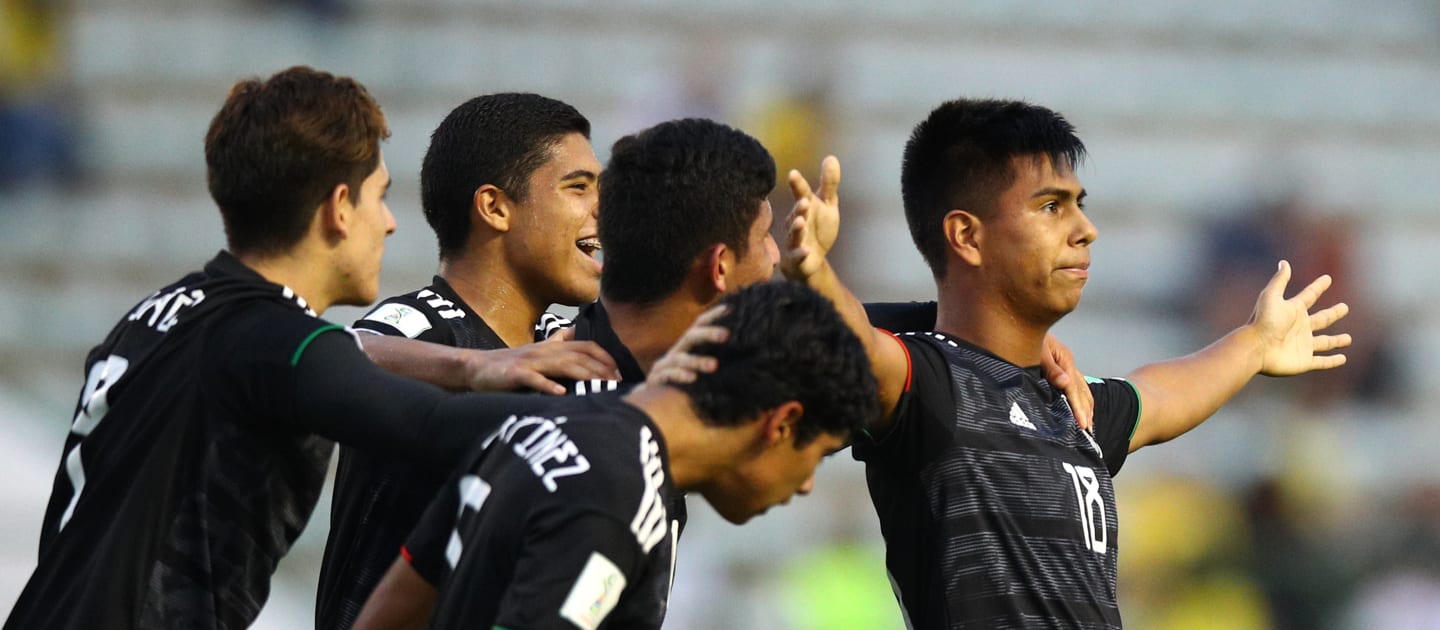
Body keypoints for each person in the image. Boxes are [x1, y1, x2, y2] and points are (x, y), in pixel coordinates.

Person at [2, 67, 595, 630]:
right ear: (339, 209)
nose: (389, 223)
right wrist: (626, 421)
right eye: (379, 197)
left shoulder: (159, 314)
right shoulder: (276, 338)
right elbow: (429, 422)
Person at [781, 98, 1352, 628]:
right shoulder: (932, 386)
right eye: (1051, 206)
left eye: (1079, 205)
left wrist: (1255, 344)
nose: (1085, 230)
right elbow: (852, 345)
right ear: (967, 236)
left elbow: (1159, 399)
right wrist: (816, 277)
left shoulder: (1065, 398)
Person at [351, 281, 881, 630]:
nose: (806, 484)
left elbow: (395, 603)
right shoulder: (615, 495)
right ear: (782, 423)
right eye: (819, 455)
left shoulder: (544, 423)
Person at [316, 92, 617, 630]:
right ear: (495, 208)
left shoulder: (568, 347)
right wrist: (474, 368)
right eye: (578, 187)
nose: (602, 209)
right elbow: (344, 353)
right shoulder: (419, 324)